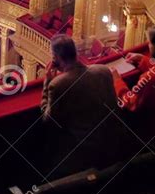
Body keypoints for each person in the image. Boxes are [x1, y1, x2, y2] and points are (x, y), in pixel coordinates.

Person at [41, 35, 122, 177]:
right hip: (115, 144)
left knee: (46, 162)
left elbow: (48, 120)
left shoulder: (58, 84)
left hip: (85, 155)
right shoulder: (103, 70)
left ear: (55, 58)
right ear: (76, 52)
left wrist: (47, 83)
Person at [112, 25, 155, 147]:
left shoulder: (149, 79)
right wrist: (144, 60)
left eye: (150, 43)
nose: (148, 46)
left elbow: (131, 103)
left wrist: (117, 80)